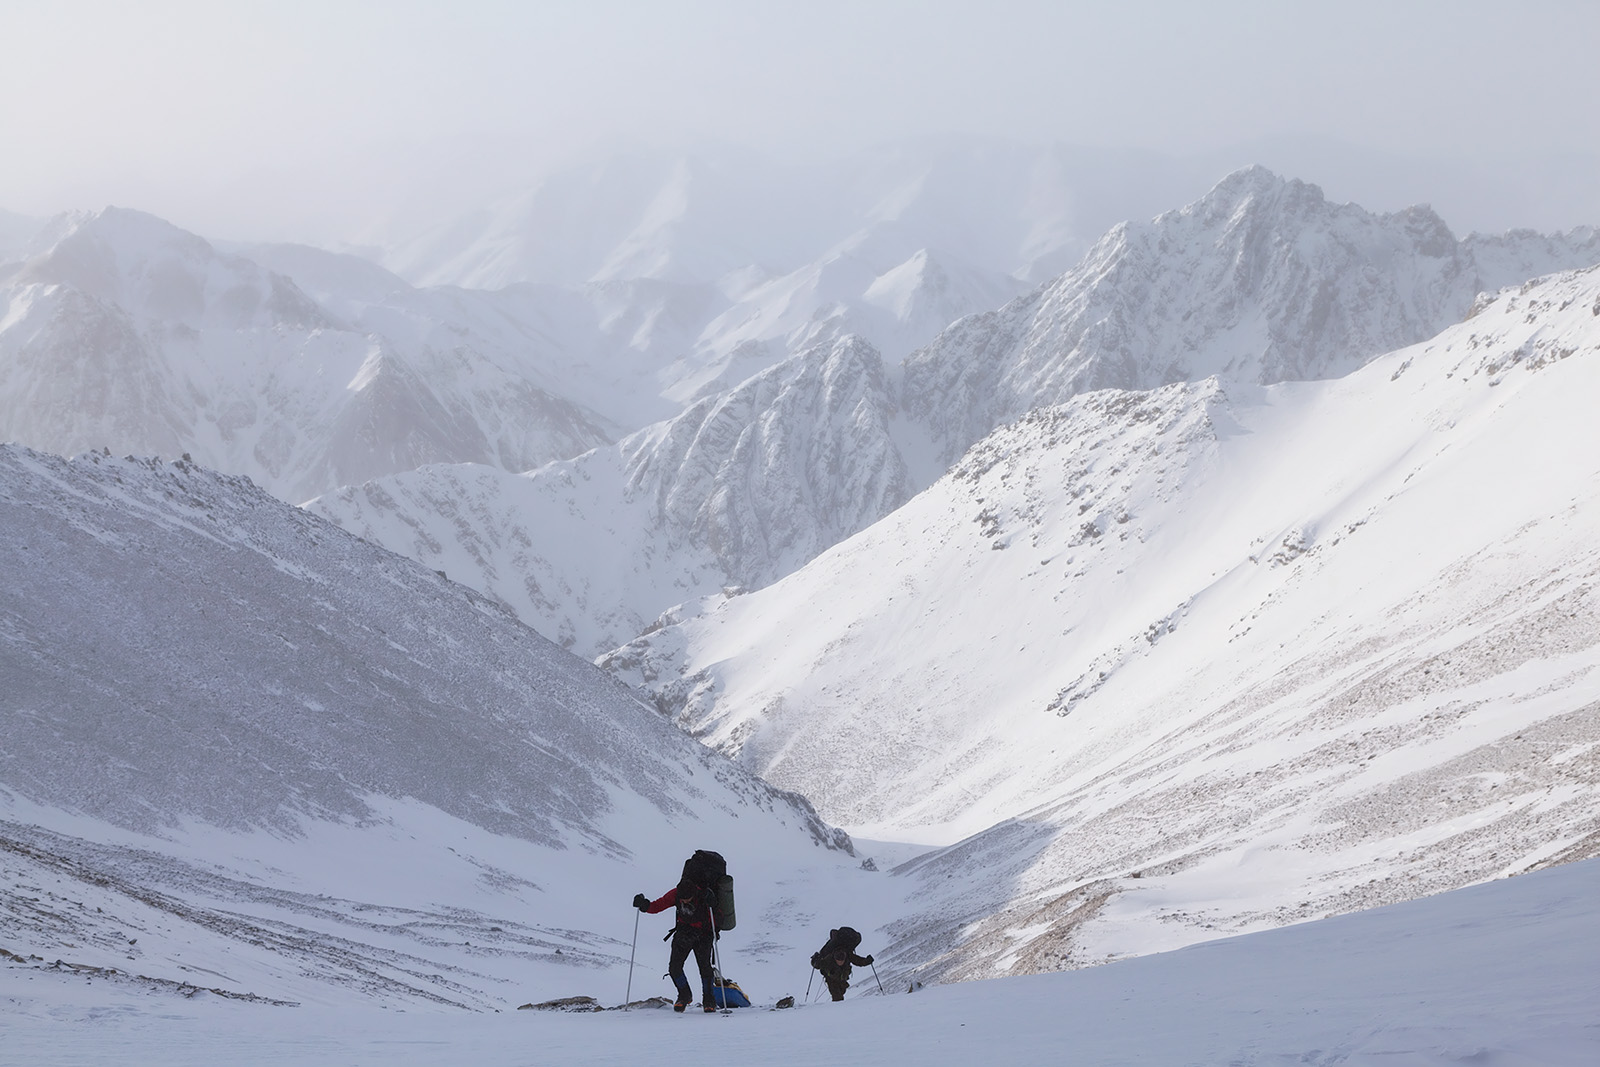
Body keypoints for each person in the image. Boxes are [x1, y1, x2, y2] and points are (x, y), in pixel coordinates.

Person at [634, 879, 719, 1012]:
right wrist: (645, 906)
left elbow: (717, 917)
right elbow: (659, 905)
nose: (684, 901)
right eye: (682, 899)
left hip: (704, 933)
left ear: (694, 893)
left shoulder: (704, 896)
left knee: (705, 968)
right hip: (684, 931)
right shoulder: (676, 894)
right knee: (674, 967)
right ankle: (684, 995)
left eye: (687, 899)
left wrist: (715, 929)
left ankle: (709, 1000)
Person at [810, 926, 873, 1002]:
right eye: (838, 960)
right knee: (837, 997)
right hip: (831, 979)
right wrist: (815, 961)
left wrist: (867, 961)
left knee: (841, 993)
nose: (840, 962)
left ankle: (839, 1006)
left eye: (842, 960)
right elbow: (818, 965)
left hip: (842, 978)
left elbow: (858, 961)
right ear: (834, 958)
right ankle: (838, 1008)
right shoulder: (829, 958)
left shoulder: (848, 954)